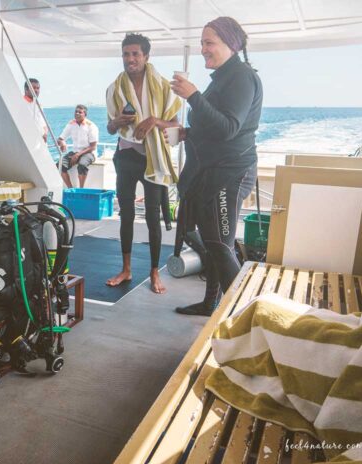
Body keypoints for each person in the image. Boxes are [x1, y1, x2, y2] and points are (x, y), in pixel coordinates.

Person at [169, 17, 263, 315]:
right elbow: (213, 125)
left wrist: (193, 96)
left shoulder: (242, 77)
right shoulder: (223, 78)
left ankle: (241, 318)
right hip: (210, 171)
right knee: (208, 241)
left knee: (220, 245)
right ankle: (210, 303)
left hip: (231, 172)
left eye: (209, 43)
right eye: (202, 43)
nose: (202, 49)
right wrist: (186, 133)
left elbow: (228, 128)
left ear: (231, 45)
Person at [105, 33, 182, 294]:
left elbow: (177, 126)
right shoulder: (114, 88)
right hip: (126, 157)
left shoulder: (162, 86)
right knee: (126, 215)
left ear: (146, 56)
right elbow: (110, 128)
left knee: (152, 217)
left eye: (136, 54)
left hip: (153, 158)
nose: (130, 59)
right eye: (126, 54)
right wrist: (117, 122)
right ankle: (126, 269)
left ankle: (153, 273)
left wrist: (154, 121)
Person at [57, 104, 98, 188]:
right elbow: (60, 139)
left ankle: (81, 189)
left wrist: (78, 155)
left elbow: (93, 146)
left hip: (89, 153)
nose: (77, 113)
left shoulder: (91, 126)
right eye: (76, 111)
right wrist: (62, 142)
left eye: (80, 112)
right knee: (59, 166)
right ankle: (70, 188)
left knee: (82, 165)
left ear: (85, 114)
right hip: (75, 152)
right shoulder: (71, 124)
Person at [24, 78, 48, 142]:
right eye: (34, 88)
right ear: (26, 89)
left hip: (41, 141)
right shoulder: (20, 103)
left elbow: (44, 124)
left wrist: (45, 134)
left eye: (38, 88)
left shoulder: (39, 105)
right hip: (28, 141)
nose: (36, 90)